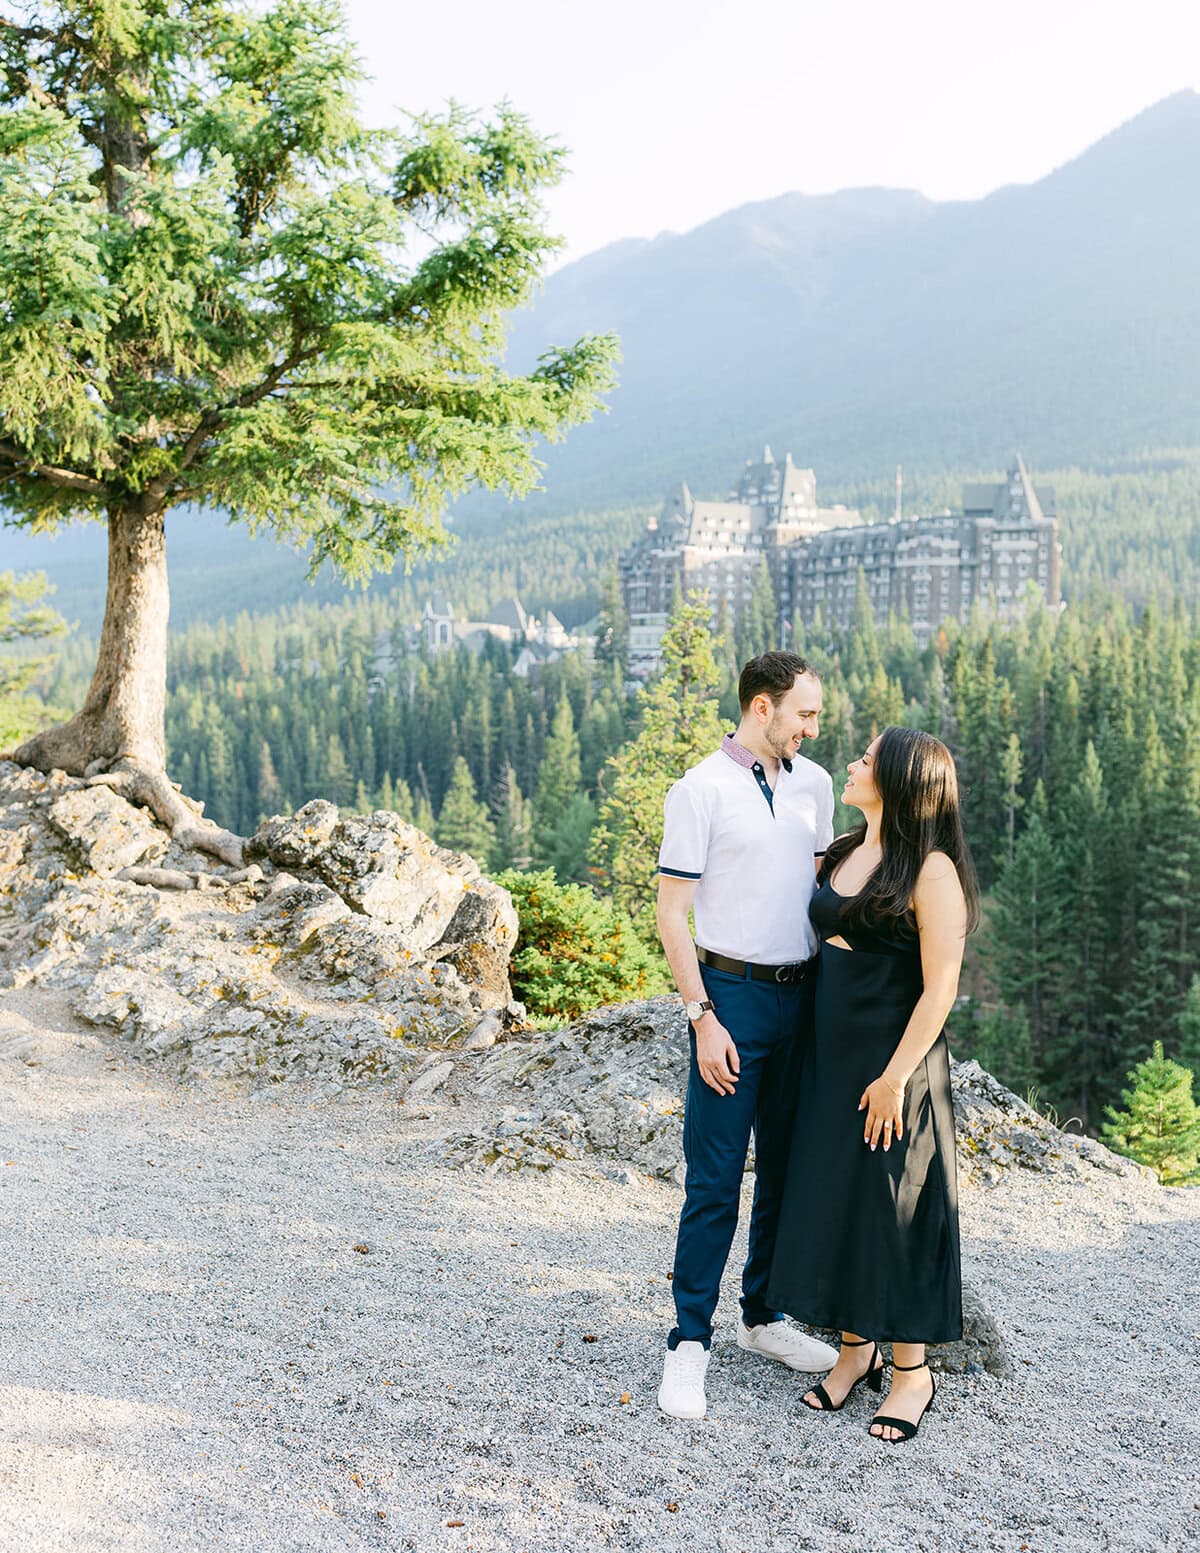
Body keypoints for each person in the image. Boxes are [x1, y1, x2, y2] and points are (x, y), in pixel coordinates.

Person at [767, 725, 979, 1443]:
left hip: (896, 1065)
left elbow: (941, 985)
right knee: (841, 1196)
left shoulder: (934, 872)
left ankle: (912, 1371)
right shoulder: (849, 850)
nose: (854, 762)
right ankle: (855, 1351)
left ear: (898, 779)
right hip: (829, 1057)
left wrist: (895, 1077)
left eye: (866, 756)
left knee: (897, 1205)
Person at [654, 651, 840, 1420]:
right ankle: (688, 1339)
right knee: (716, 1176)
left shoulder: (818, 784)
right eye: (805, 713)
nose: (814, 726)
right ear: (762, 707)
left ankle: (761, 1316)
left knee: (789, 1172)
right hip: (729, 995)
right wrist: (703, 1017)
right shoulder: (700, 789)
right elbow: (671, 915)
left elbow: (830, 894)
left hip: (805, 999)